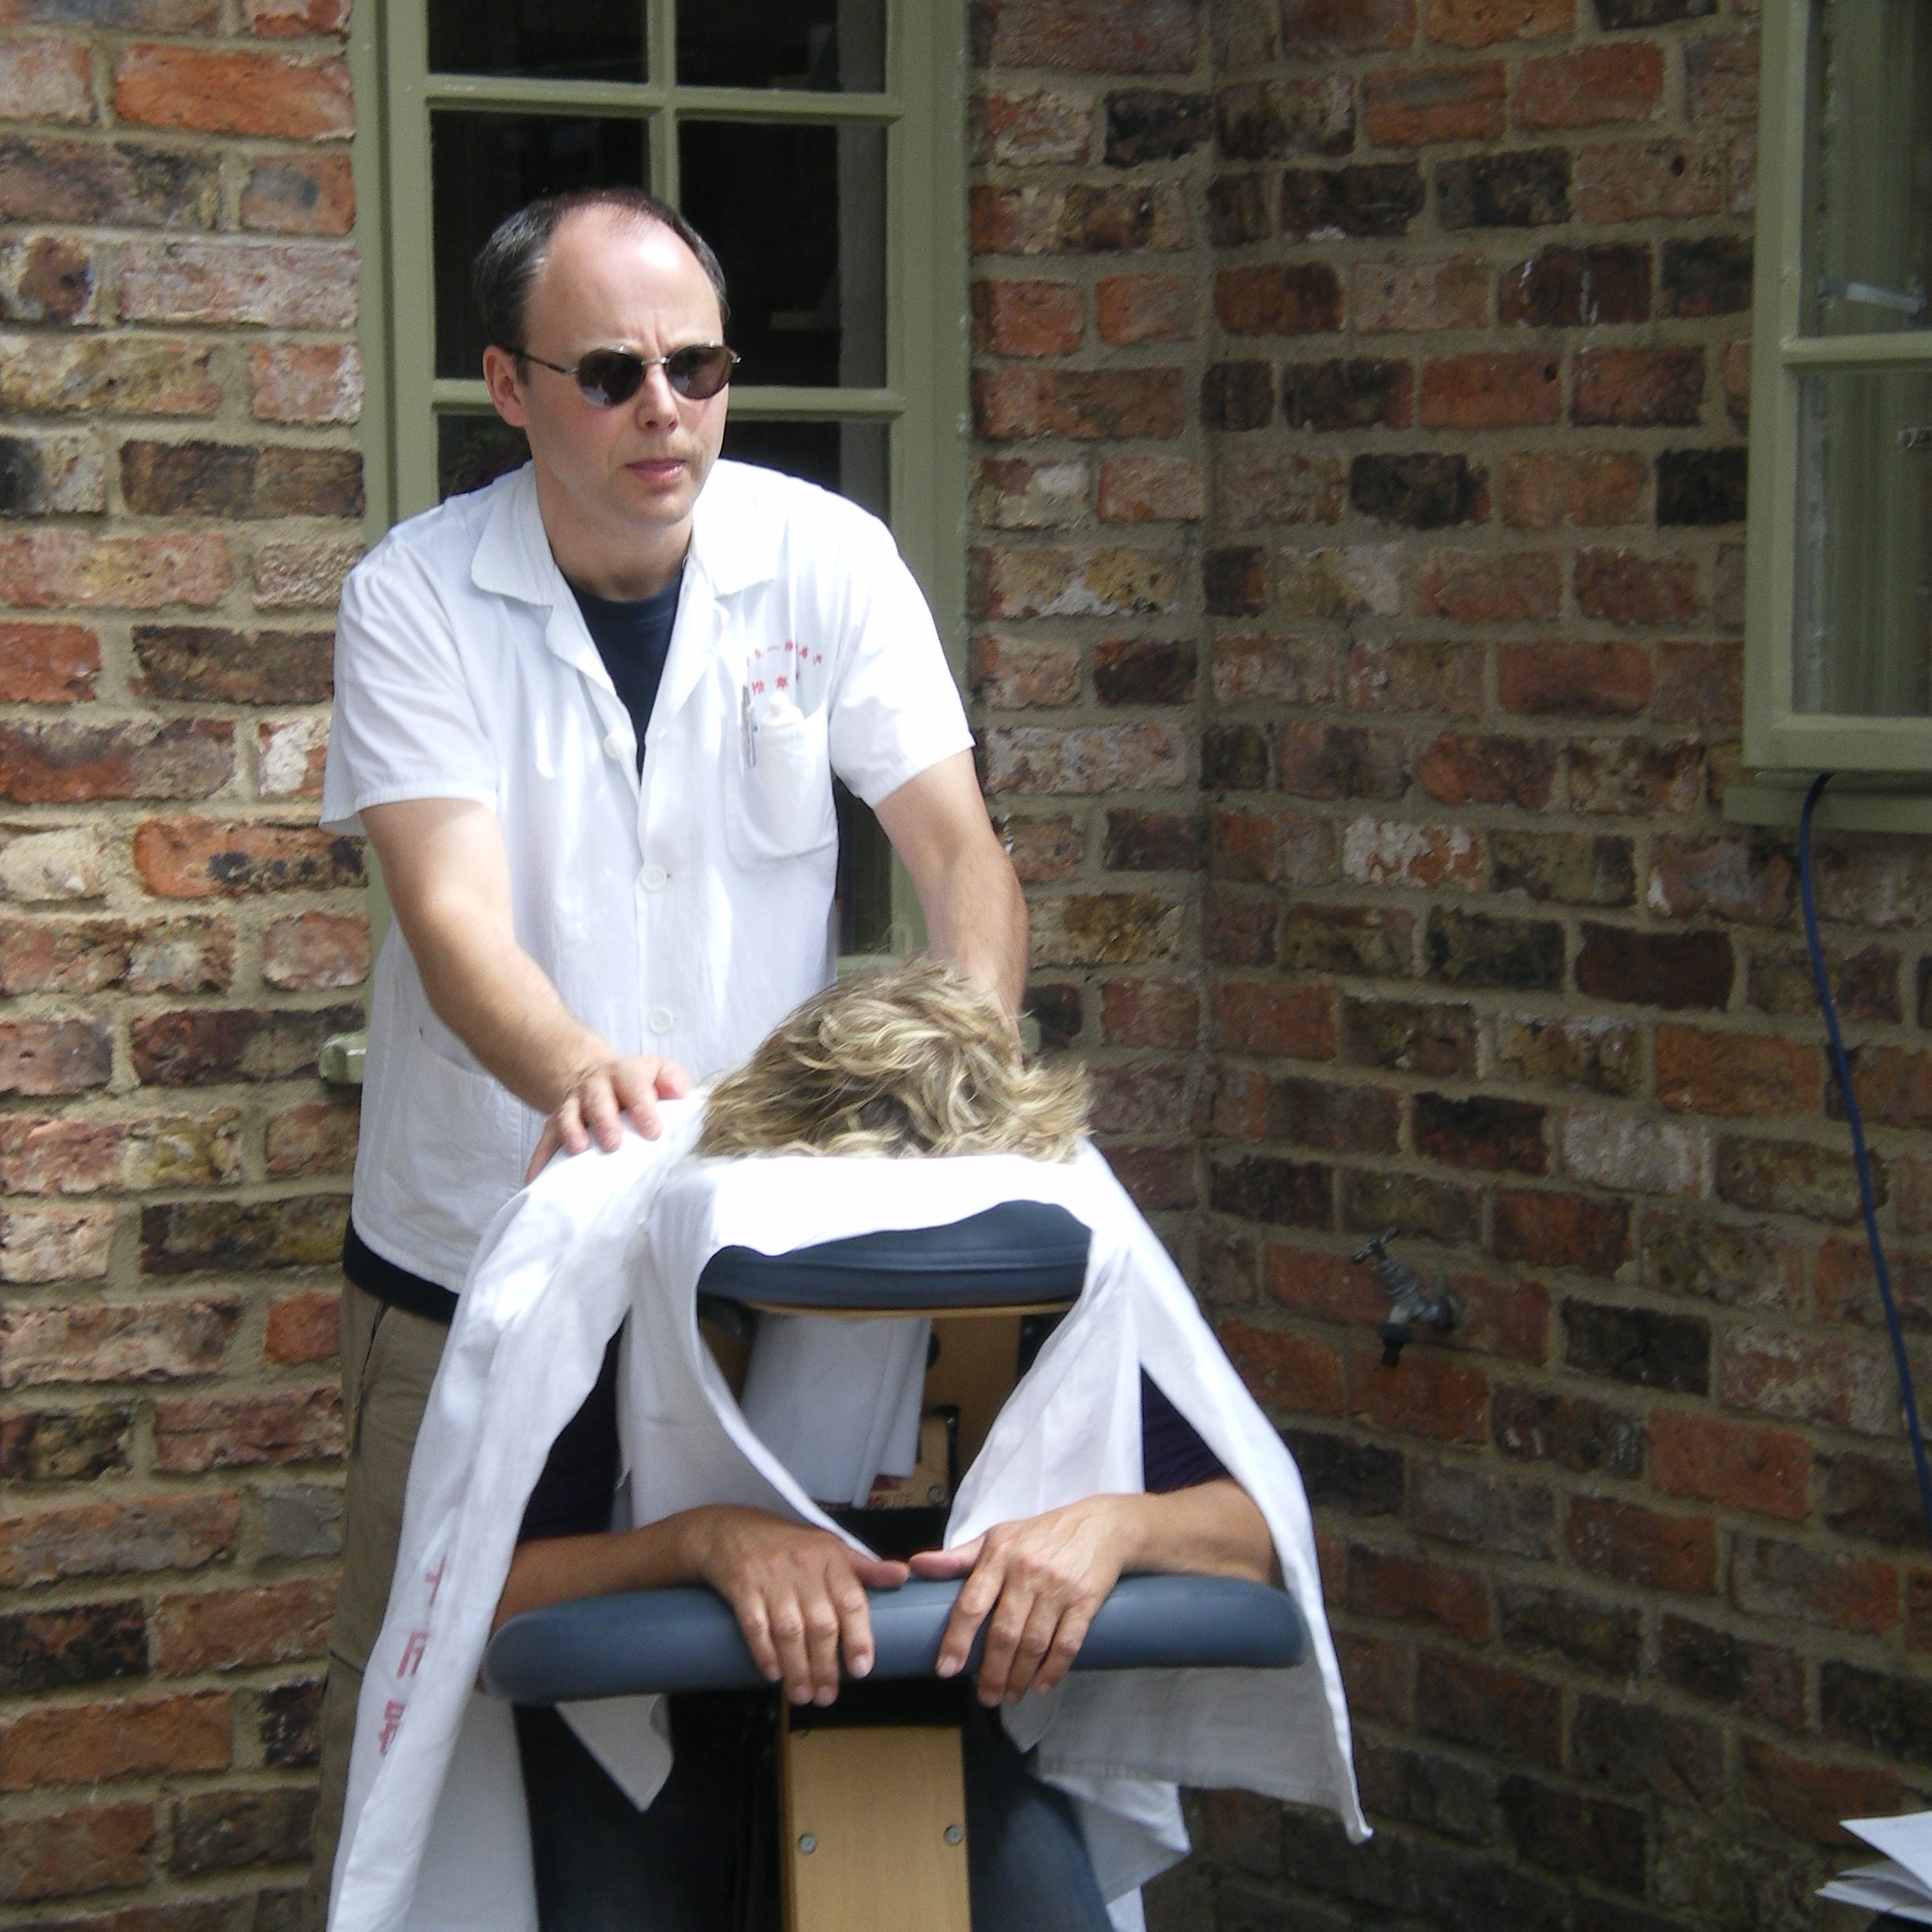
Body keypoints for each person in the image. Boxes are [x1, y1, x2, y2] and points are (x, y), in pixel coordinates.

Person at [307, 185, 1027, 1929]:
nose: (665, 411)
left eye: (697, 368)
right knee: (426, 1706)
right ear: (509, 385)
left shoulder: (826, 559)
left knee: (759, 1696)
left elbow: (959, 857)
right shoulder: (415, 596)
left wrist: (969, 1071)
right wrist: (581, 1071)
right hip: (474, 1256)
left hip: (755, 1271)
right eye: (612, 372)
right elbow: (453, 919)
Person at [326, 963, 1364, 1932]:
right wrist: (701, 1542)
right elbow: (482, 1603)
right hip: (642, 1719)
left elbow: (1253, 1535)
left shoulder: (1053, 1254)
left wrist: (1115, 1529)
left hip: (962, 1706)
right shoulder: (615, 1261)